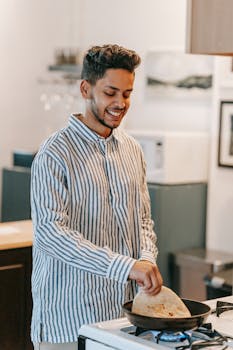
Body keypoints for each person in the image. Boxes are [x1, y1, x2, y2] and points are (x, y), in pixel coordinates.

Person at [31, 44, 163, 350]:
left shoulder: (132, 149)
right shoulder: (54, 153)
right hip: (66, 324)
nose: (120, 103)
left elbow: (143, 220)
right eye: (110, 92)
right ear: (85, 88)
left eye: (127, 94)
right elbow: (51, 235)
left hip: (123, 322)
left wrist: (145, 259)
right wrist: (125, 267)